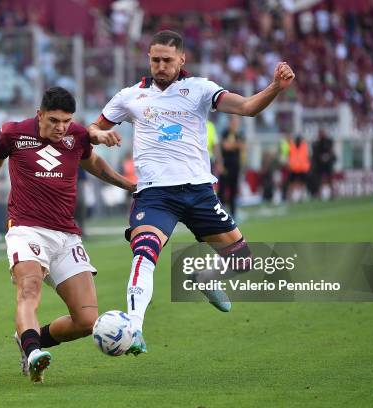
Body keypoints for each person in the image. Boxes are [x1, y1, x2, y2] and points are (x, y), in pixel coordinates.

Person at [87, 30, 295, 355]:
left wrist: (275, 88)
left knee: (242, 261)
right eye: (154, 59)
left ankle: (206, 277)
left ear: (182, 59)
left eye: (167, 60)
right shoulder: (130, 96)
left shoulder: (200, 89)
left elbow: (248, 107)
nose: (160, 65)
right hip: (155, 195)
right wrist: (100, 136)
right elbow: (93, 128)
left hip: (198, 192)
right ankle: (135, 328)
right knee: (144, 253)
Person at [0, 87, 135, 383]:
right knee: (29, 290)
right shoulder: (13, 134)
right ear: (39, 114)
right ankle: (33, 355)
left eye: (66, 121)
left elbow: (91, 161)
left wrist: (127, 185)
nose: (60, 128)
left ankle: (31, 341)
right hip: (26, 229)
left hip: (66, 235)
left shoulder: (77, 136)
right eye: (54, 120)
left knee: (86, 321)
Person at [216, 115, 246, 219]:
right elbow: (225, 146)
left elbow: (243, 147)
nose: (235, 123)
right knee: (222, 190)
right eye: (233, 121)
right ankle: (220, 212)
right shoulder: (225, 132)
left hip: (236, 166)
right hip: (225, 166)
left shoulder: (240, 134)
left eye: (236, 121)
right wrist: (236, 145)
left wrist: (233, 145)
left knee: (234, 190)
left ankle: (234, 213)